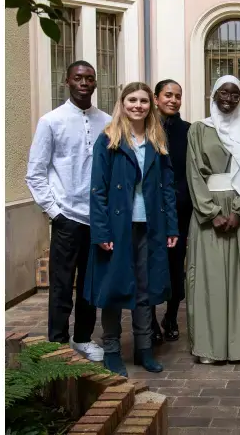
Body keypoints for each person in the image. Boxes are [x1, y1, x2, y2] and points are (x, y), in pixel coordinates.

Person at [84, 82, 179, 376]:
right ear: (123, 103)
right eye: (132, 100)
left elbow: (167, 187)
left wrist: (171, 226)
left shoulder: (156, 139)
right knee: (112, 289)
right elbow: (97, 189)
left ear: (150, 105)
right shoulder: (109, 139)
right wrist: (100, 232)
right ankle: (111, 350)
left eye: (143, 101)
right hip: (116, 227)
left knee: (144, 289)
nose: (138, 106)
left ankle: (144, 349)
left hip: (150, 225)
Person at [25, 60, 109, 362]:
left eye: (89, 78)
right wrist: (54, 212)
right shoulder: (51, 121)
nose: (84, 83)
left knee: (89, 285)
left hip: (97, 218)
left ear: (95, 83)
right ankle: (57, 343)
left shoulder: (108, 121)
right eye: (78, 78)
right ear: (67, 81)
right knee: (61, 284)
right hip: (66, 218)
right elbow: (36, 172)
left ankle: (83, 338)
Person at [185, 75, 240, 364]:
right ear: (213, 95)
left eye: (234, 95)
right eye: (222, 93)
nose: (228, 99)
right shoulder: (199, 129)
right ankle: (210, 348)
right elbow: (194, 174)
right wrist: (211, 213)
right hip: (209, 211)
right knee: (209, 279)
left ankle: (239, 346)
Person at [149, 79, 190, 346]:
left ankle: (172, 316)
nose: (173, 100)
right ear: (156, 98)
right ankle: (150, 321)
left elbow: (191, 169)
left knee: (177, 265)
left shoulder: (188, 130)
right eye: (168, 95)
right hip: (151, 208)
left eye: (177, 96)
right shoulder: (144, 128)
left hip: (181, 207)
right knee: (151, 265)